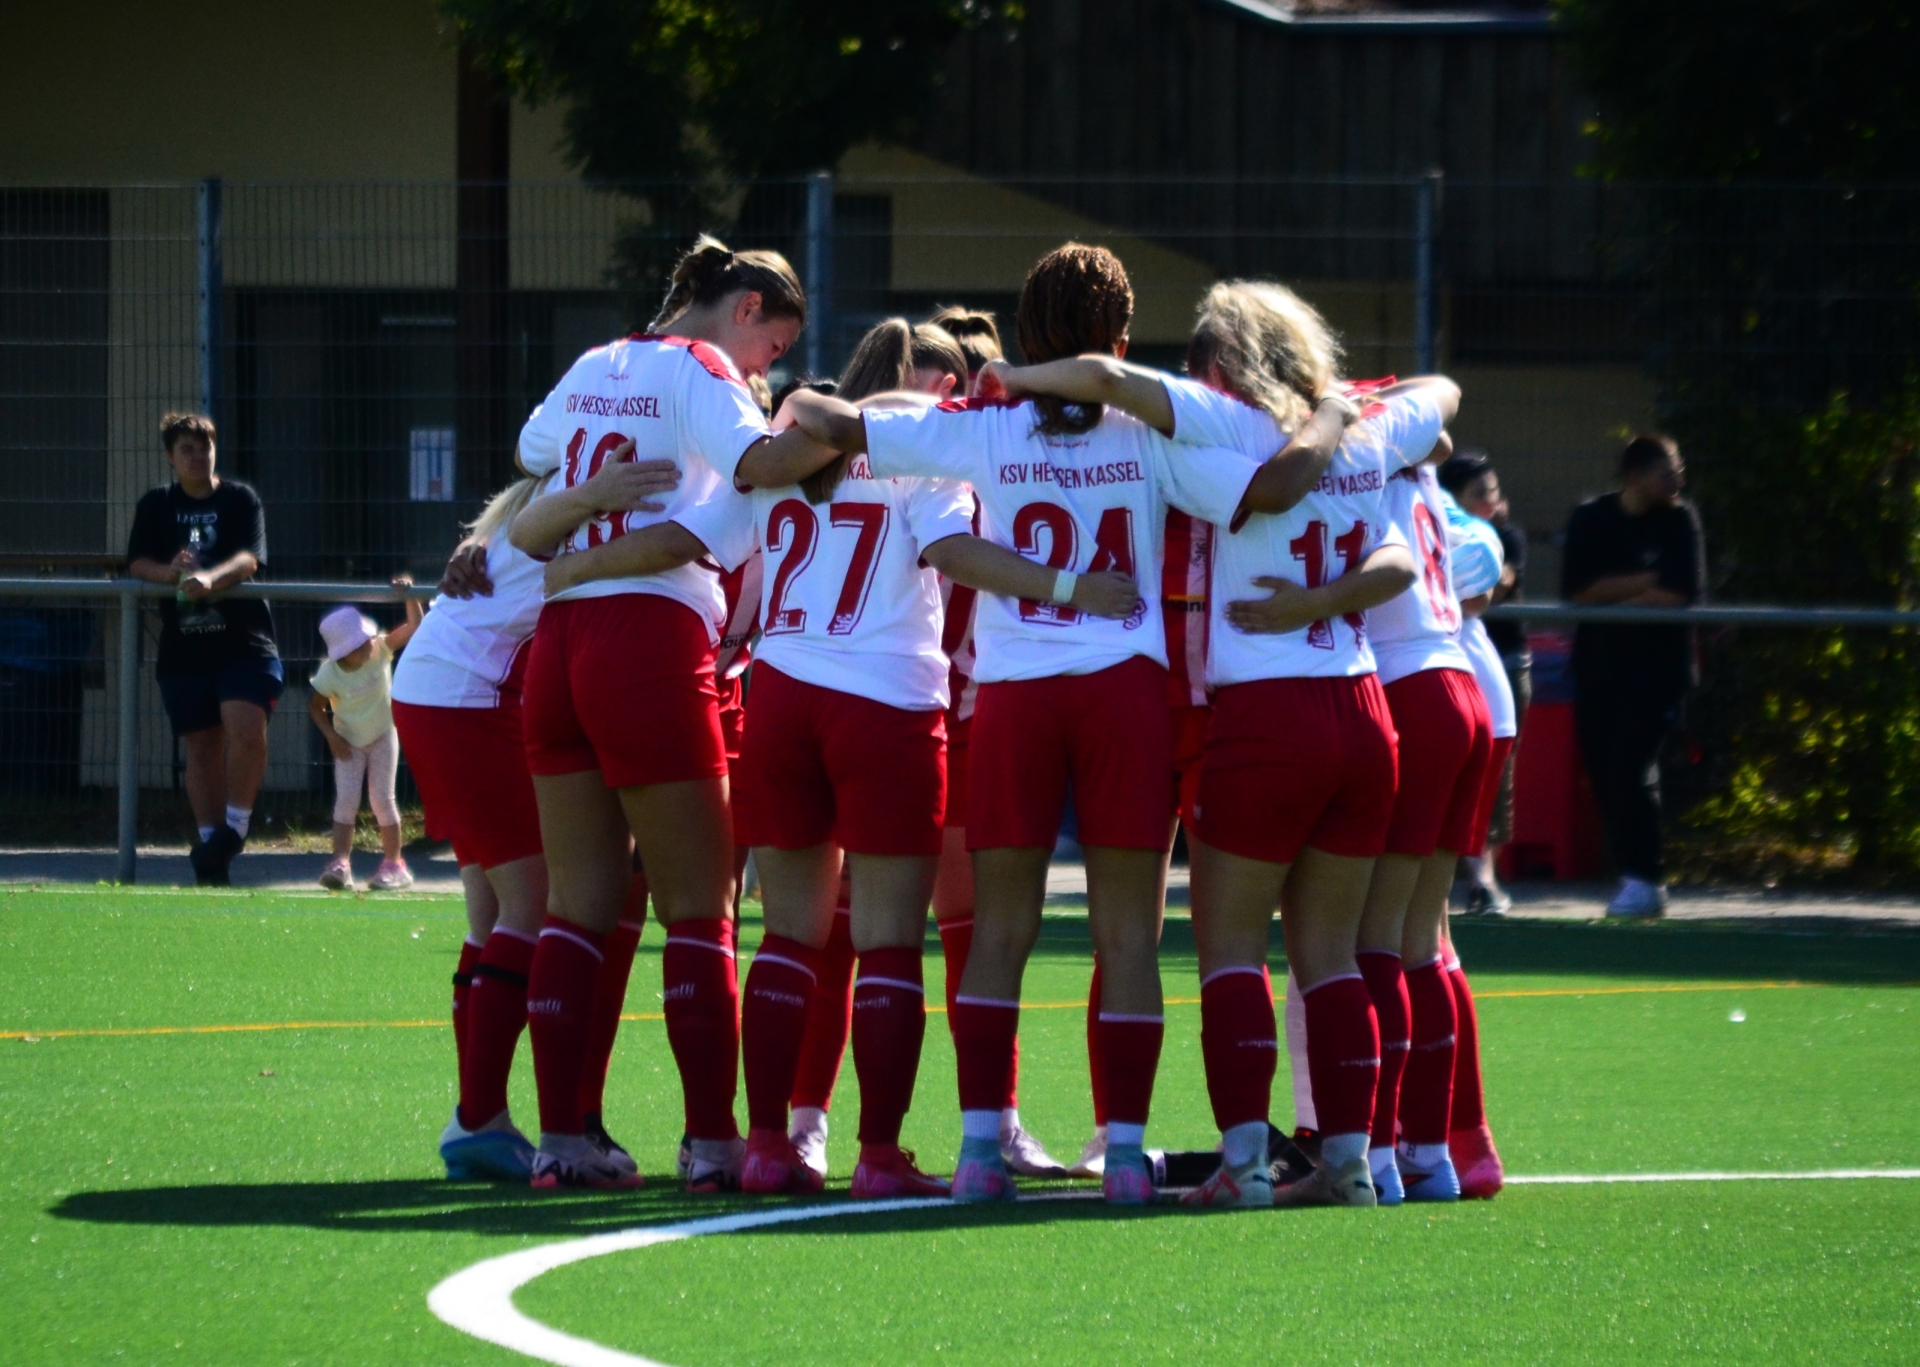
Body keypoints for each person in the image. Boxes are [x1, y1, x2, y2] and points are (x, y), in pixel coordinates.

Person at [782, 246, 1357, 1206]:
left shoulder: (984, 426)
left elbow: (838, 424)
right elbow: (1266, 487)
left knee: (999, 929)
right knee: (1127, 935)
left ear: (1025, 332)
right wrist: (1332, 417)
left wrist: (801, 403)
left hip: (1016, 693)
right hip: (1124, 691)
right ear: (1118, 344)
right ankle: (1124, 1158)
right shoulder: (1149, 431)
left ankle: (978, 1151)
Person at [536, 316, 1140, 1199]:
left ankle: (767, 1142)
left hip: (783, 697)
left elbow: (689, 540)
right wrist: (1068, 585)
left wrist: (562, 571)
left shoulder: (783, 451)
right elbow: (951, 549)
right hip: (885, 701)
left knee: (788, 936)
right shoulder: (920, 447)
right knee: (888, 941)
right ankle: (879, 1153)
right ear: (924, 387)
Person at [503, 233, 827, 1191]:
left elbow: (531, 450)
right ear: (745, 309)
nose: (766, 368)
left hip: (560, 643)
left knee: (575, 908)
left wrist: (594, 501)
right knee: (699, 910)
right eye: (773, 345)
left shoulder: (597, 360)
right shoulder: (702, 370)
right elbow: (758, 462)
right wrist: (843, 425)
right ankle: (712, 1141)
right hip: (648, 639)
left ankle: (562, 1141)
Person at [394, 470, 666, 1181]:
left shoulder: (565, 478)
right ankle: (480, 1118)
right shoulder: (607, 480)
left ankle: (480, 1117)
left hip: (444, 685)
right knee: (540, 901)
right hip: (469, 694)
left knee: (493, 914)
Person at [921, 305, 1070, 1180]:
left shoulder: (929, 464)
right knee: (972, 933)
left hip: (896, 708)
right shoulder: (982, 474)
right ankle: (994, 1126)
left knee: (861, 934)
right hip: (943, 715)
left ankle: (802, 1126)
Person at [125, 412, 282, 886]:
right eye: (187, 450)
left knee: (246, 728)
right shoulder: (156, 503)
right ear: (170, 457)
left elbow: (250, 559)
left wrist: (211, 579)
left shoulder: (240, 499)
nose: (197, 457)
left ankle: (233, 832)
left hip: (243, 641)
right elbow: (137, 563)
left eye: (205, 447)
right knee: (201, 745)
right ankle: (212, 854)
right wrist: (170, 573)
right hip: (184, 647)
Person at [1560, 433, 1705, 918]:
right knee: (1604, 774)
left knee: (1631, 771)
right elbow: (1578, 590)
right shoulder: (1590, 518)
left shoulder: (1681, 521)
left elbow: (1681, 593)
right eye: (1667, 472)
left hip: (1659, 674)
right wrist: (1645, 581)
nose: (1678, 479)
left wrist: (1613, 591)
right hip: (1599, 671)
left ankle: (1646, 878)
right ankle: (1631, 875)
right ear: (1635, 476)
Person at [1440, 450, 1527, 915]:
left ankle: (1481, 878)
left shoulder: (1485, 534)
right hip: (1447, 679)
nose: (1492, 503)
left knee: (1489, 774)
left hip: (1479, 677)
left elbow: (1484, 592)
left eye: (1494, 493)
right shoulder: (1426, 517)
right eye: (1480, 494)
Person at [308, 589, 423, 891]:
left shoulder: (381, 648)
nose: (367, 645)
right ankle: (340, 864)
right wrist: (332, 737)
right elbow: (315, 707)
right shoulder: (330, 673)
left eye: (366, 639)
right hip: (348, 742)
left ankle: (395, 865)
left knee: (382, 799)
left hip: (383, 735)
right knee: (346, 801)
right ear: (342, 652)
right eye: (358, 644)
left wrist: (410, 595)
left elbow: (415, 627)